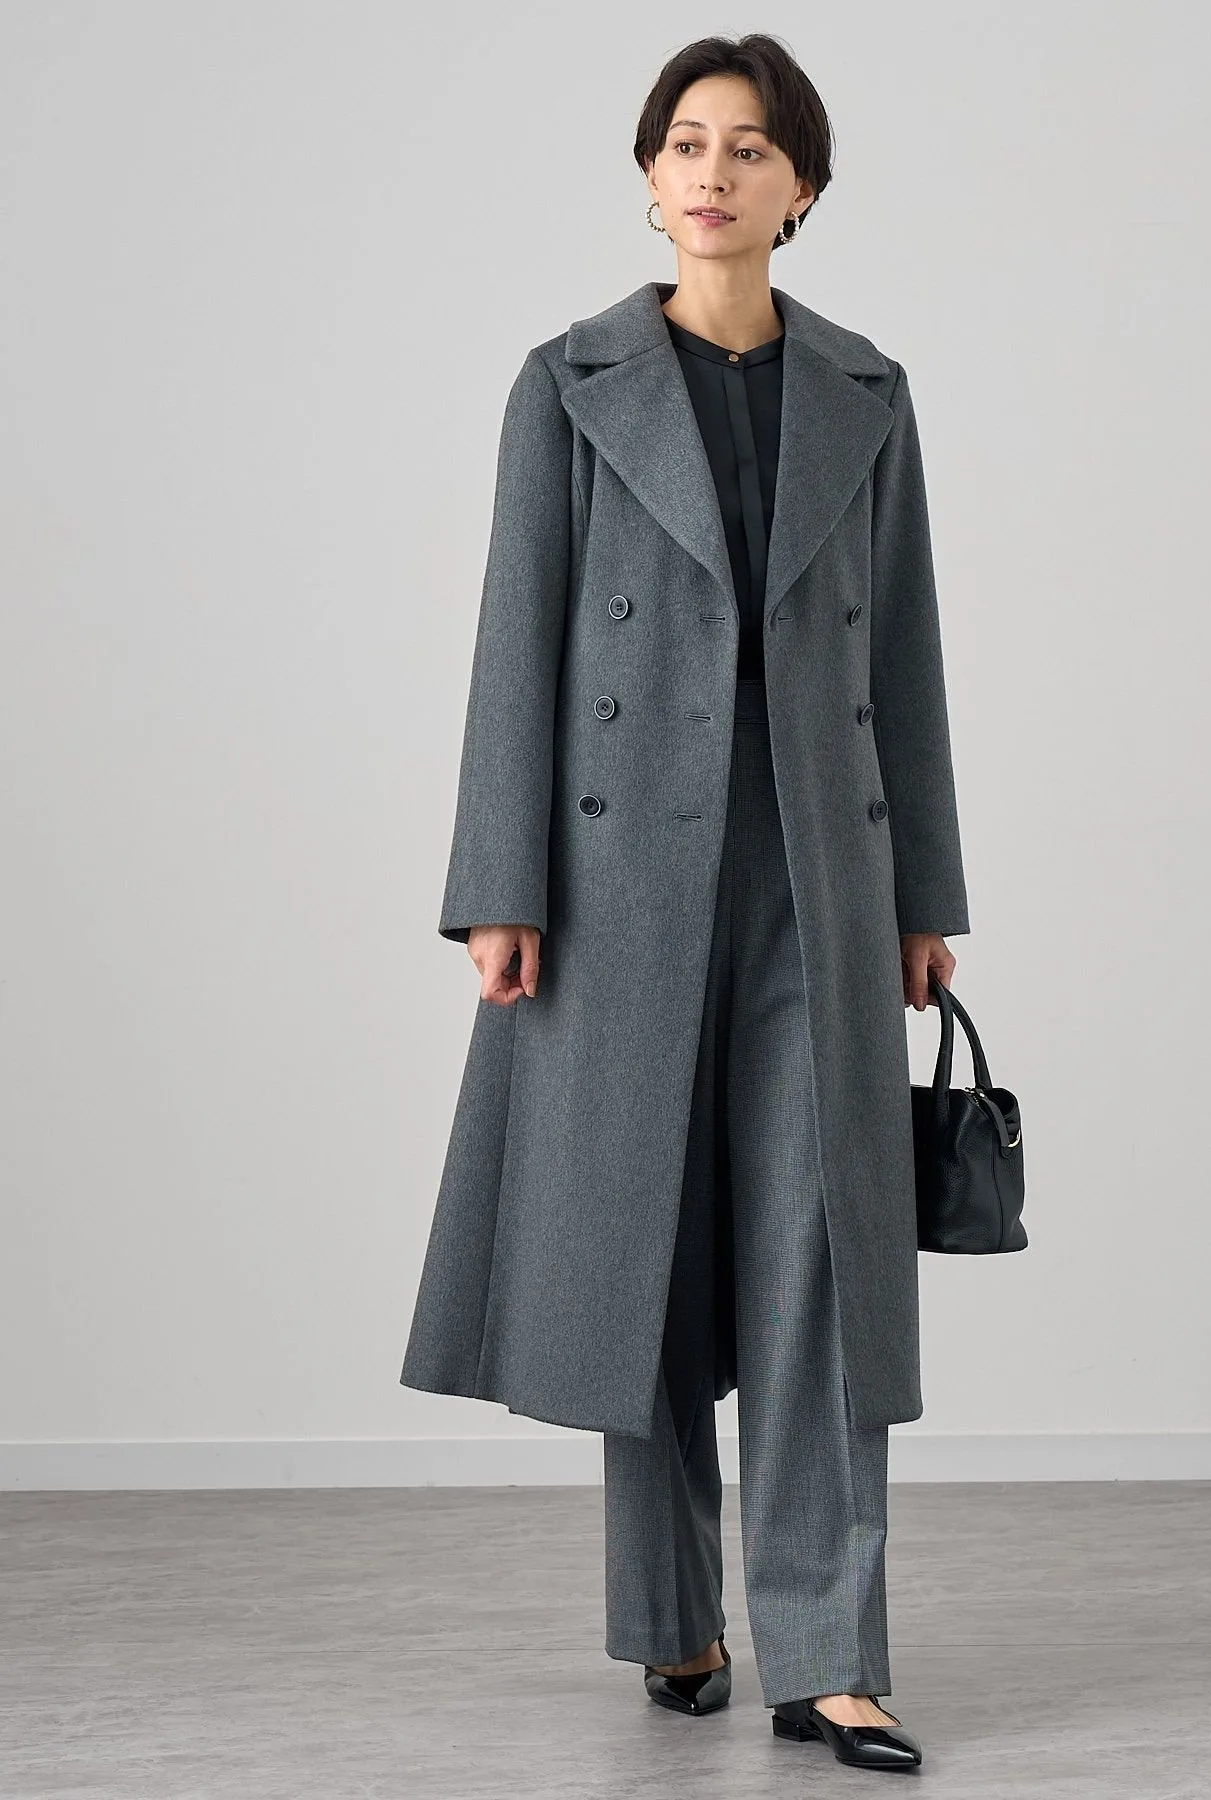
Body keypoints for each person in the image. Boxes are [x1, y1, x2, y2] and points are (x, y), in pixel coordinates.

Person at [400, 31, 970, 1774]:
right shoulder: (566, 383)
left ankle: (833, 1656)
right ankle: (674, 1618)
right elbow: (516, 638)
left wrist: (925, 891)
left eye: (750, 148)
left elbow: (906, 652)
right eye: (685, 144)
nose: (713, 172)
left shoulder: (865, 391)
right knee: (635, 1243)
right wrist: (499, 884)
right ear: (650, 180)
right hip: (614, 879)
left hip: (817, 869)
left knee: (821, 1254)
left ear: (802, 189)